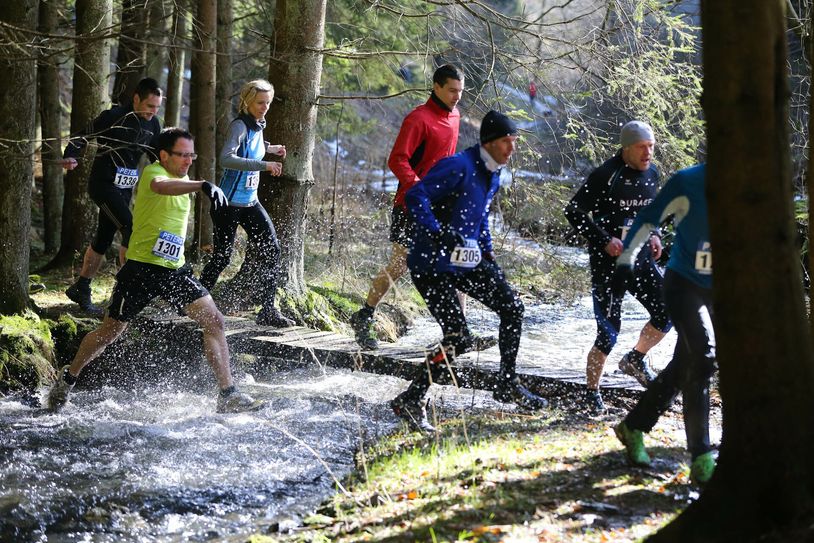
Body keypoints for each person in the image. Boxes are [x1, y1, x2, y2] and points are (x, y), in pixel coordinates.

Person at [47, 128, 263, 414]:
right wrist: (202, 185)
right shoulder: (153, 172)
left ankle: (227, 394)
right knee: (110, 332)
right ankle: (69, 377)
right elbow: (162, 186)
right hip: (141, 271)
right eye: (182, 155)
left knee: (214, 321)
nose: (188, 160)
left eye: (191, 155)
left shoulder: (185, 179)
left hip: (174, 271)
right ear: (164, 155)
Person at [389, 110, 548, 433]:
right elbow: (416, 195)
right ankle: (411, 398)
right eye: (506, 142)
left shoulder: (494, 171)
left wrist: (487, 250)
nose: (511, 149)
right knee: (459, 338)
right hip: (431, 265)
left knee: (513, 309)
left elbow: (479, 217)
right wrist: (436, 231)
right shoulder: (458, 166)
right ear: (489, 142)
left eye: (514, 142)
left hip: (466, 260)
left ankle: (507, 384)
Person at [612, 164, 716, 485]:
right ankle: (700, 456)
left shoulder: (753, 187)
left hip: (723, 289)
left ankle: (634, 426)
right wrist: (626, 260)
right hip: (684, 284)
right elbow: (648, 218)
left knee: (684, 366)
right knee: (704, 355)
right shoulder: (688, 181)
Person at [349, 64, 465, 350]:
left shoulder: (456, 115)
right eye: (452, 90)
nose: (456, 97)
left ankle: (458, 333)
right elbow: (397, 159)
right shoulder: (418, 118)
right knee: (400, 265)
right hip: (411, 204)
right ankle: (364, 315)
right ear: (436, 87)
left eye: (460, 92)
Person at [564, 121, 672, 414]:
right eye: (642, 147)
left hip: (640, 259)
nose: (648, 153)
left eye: (651, 146)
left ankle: (635, 359)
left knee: (667, 311)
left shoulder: (652, 173)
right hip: (608, 266)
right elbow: (573, 211)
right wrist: (603, 240)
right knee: (608, 333)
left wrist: (655, 233)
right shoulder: (606, 174)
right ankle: (591, 393)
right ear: (626, 148)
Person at [61, 77, 164, 317]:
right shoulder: (114, 116)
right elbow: (82, 135)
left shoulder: (153, 125)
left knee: (104, 238)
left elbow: (156, 156)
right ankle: (127, 295)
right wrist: (71, 155)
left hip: (124, 189)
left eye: (157, 107)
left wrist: (172, 178)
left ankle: (82, 287)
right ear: (136, 98)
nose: (153, 112)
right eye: (150, 106)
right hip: (103, 186)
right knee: (130, 229)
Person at [199, 79, 294, 327]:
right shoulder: (239, 125)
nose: (264, 107)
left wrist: (270, 149)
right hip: (227, 204)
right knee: (222, 257)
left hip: (250, 203)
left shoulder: (258, 126)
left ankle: (267, 310)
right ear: (247, 102)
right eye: (260, 103)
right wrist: (265, 165)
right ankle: (192, 302)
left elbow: (252, 147)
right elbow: (227, 158)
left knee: (272, 250)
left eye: (268, 103)